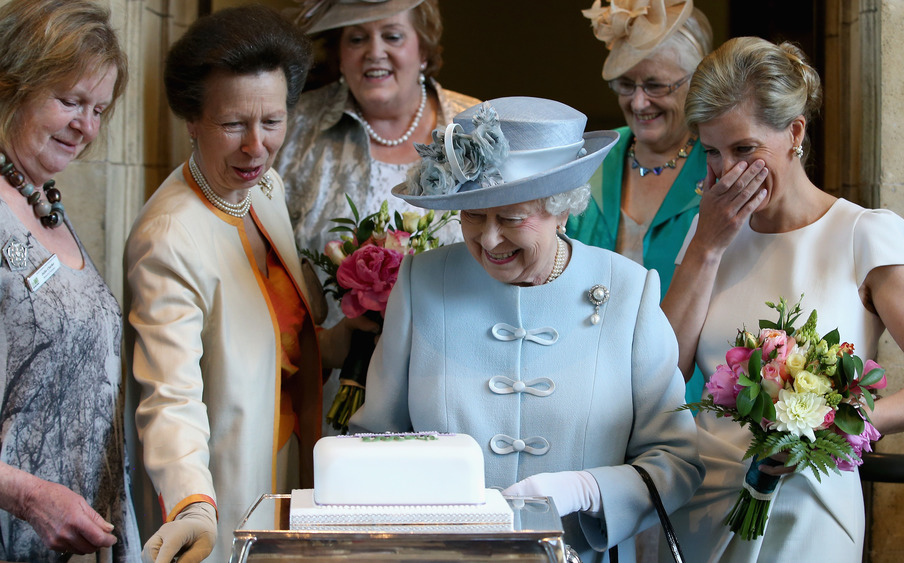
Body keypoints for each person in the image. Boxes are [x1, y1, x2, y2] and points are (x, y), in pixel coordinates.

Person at [351, 96, 704, 563]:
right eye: (474, 214)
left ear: (563, 210)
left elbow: (677, 460)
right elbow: (373, 443)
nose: (490, 239)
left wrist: (589, 490)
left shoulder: (627, 291)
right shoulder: (422, 283)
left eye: (512, 218)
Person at [661, 37, 904, 562]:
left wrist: (838, 430)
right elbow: (662, 368)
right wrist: (709, 246)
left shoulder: (863, 234)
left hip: (811, 508)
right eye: (711, 152)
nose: (727, 172)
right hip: (706, 503)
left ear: (795, 133)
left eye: (743, 149)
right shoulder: (705, 232)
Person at [124, 7, 323, 563]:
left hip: (289, 459)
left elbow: (279, 332)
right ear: (192, 118)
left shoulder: (264, 190)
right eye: (233, 124)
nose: (255, 147)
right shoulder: (168, 237)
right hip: (229, 483)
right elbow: (170, 394)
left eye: (273, 121)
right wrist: (192, 504)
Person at [0, 0, 140, 560]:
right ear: (13, 85)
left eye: (100, 109)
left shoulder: (41, 200)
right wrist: (30, 497)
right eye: (70, 102)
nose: (87, 127)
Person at [573, 0, 713, 405]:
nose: (637, 103)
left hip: (690, 397)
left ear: (695, 82)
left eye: (655, 85)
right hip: (590, 389)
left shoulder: (718, 165)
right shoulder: (590, 160)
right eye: (625, 84)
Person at [276, 0, 480, 259]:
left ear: (423, 51)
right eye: (357, 39)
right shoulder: (293, 125)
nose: (374, 52)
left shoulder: (474, 128)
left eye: (392, 36)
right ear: (340, 56)